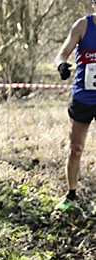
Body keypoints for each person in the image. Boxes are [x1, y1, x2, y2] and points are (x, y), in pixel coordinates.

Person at [54, 0, 96, 212]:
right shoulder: (83, 25)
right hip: (83, 98)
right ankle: (71, 195)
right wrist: (62, 65)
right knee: (76, 149)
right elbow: (62, 54)